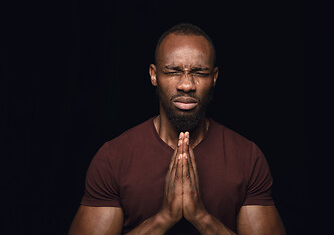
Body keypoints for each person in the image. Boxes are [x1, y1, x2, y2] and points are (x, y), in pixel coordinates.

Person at [68, 23, 286, 235]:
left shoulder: (247, 157)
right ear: (154, 75)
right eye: (173, 71)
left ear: (214, 77)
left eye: (199, 72)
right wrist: (165, 218)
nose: (186, 84)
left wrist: (200, 216)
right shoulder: (113, 158)